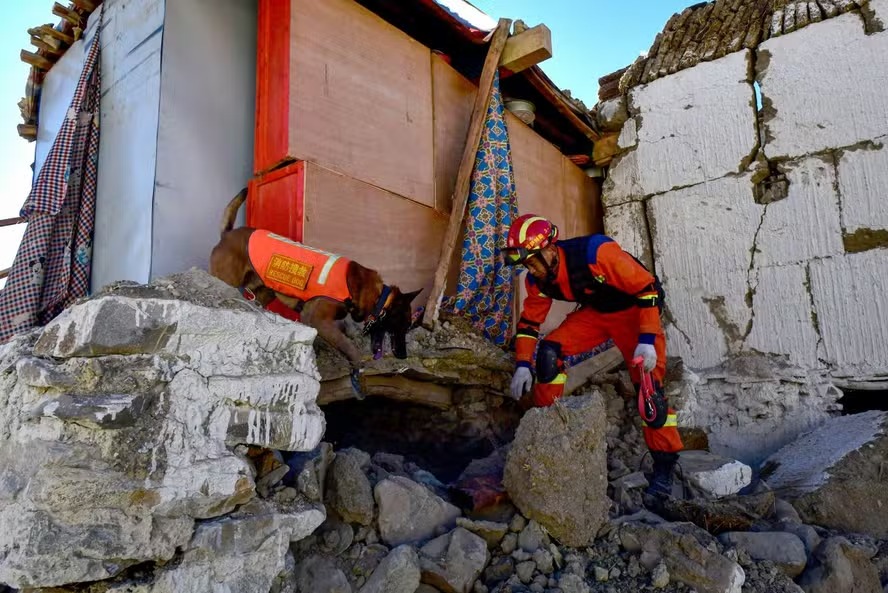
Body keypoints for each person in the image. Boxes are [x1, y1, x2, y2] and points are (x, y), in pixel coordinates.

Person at [502, 214, 683, 496]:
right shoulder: (538, 280)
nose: (531, 270)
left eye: (532, 261)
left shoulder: (596, 253)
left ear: (550, 249)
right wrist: (523, 364)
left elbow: (646, 288)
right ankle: (545, 429)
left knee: (650, 395)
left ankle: (665, 467)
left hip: (636, 312)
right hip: (597, 315)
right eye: (525, 265)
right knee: (549, 354)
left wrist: (647, 338)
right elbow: (528, 324)